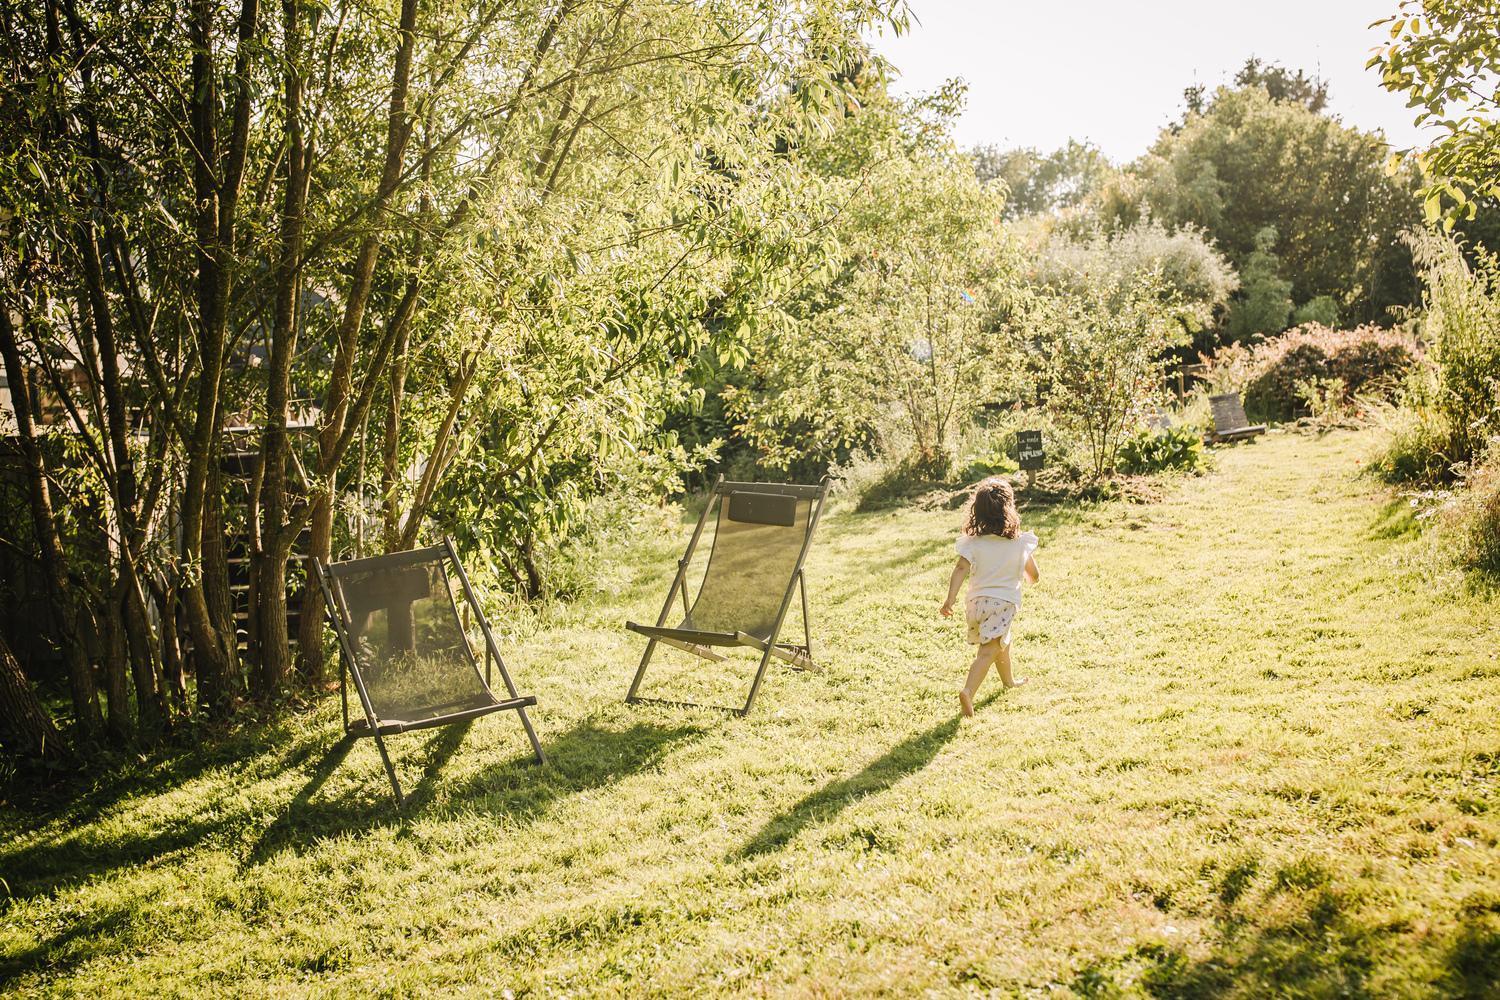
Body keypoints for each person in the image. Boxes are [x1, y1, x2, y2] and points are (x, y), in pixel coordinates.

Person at [939, 477, 1040, 717]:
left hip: (975, 604)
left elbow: (960, 569)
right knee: (988, 650)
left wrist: (950, 599)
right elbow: (1033, 575)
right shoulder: (1019, 543)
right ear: (1009, 510)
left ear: (978, 512)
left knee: (1001, 643)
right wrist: (1027, 575)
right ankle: (968, 692)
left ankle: (1009, 681)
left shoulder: (974, 543)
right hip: (1002, 604)